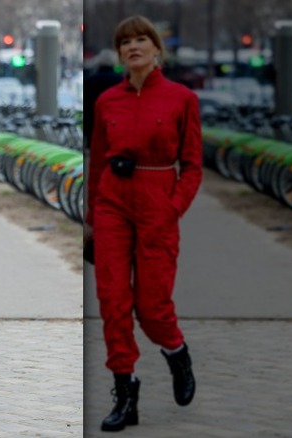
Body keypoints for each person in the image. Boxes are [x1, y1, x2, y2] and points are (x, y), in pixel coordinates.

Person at [84, 15, 202, 432]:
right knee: (113, 304)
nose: (133, 47)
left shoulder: (181, 98)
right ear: (118, 54)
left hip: (157, 204)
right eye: (125, 42)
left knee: (152, 307)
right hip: (112, 204)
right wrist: (92, 222)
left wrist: (172, 210)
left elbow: (192, 167)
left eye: (141, 40)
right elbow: (97, 159)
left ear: (156, 48)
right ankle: (126, 392)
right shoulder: (106, 101)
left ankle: (176, 352)